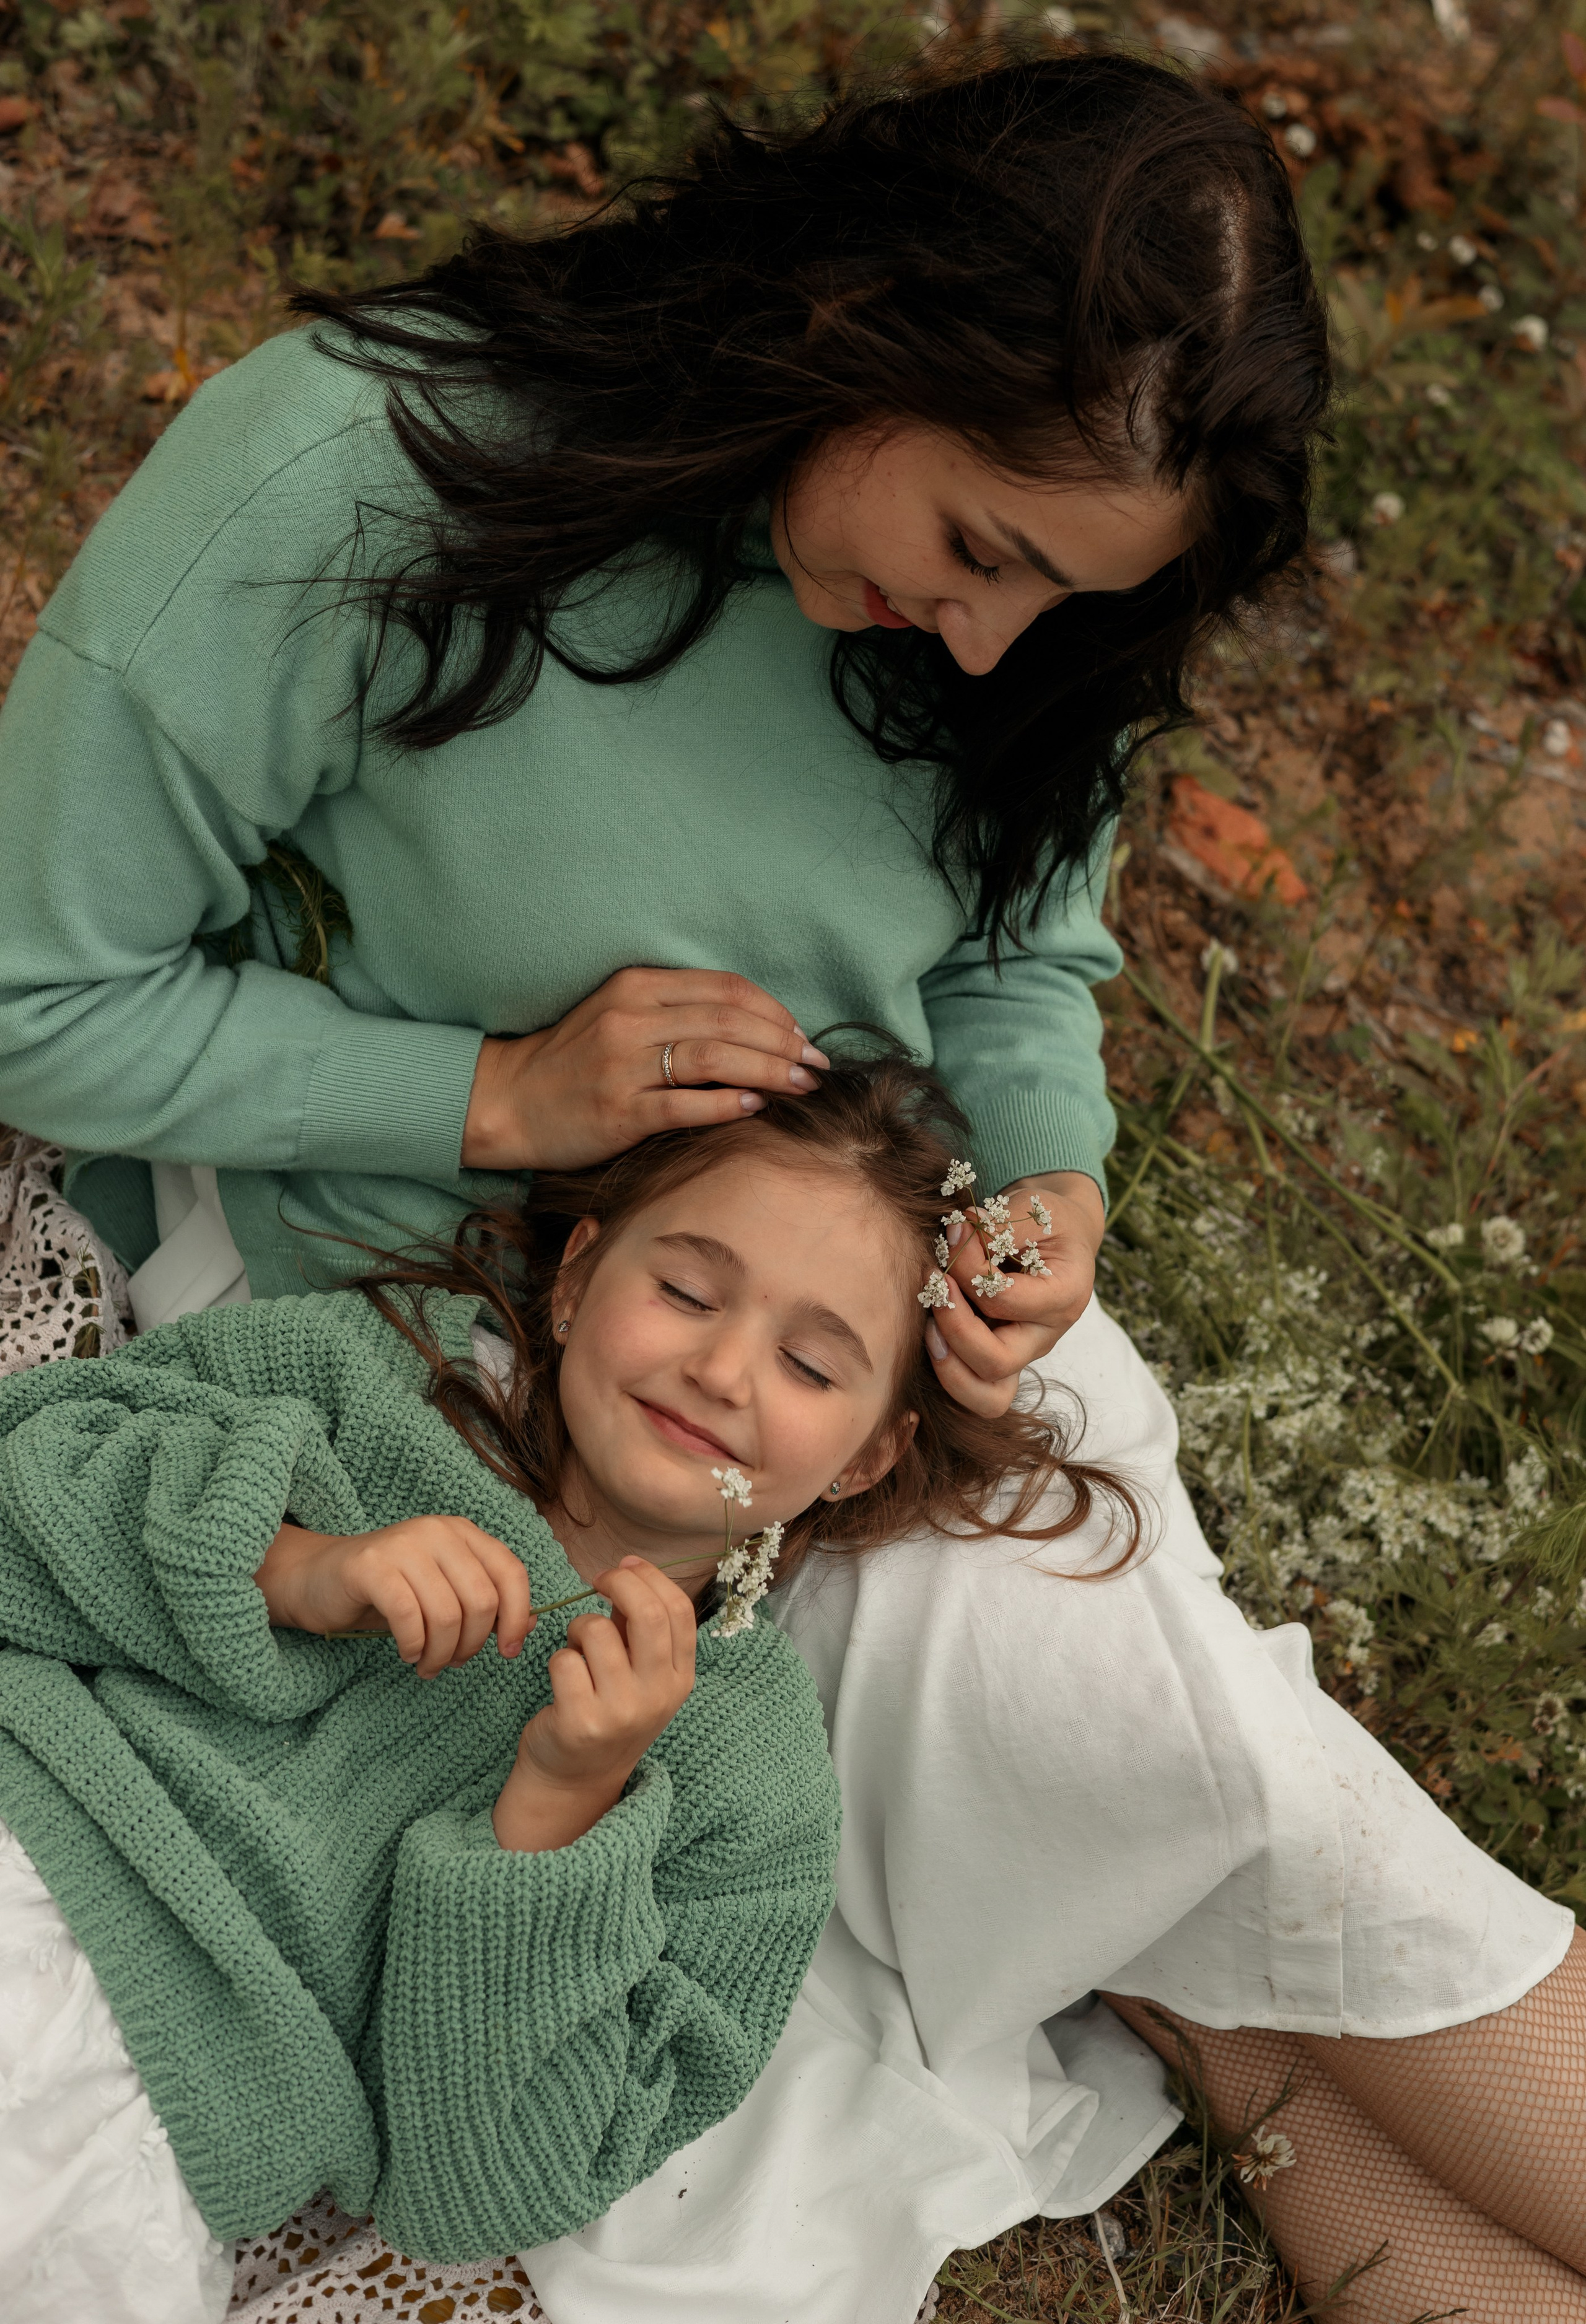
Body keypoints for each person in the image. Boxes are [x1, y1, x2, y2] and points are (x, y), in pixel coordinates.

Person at [1, 40, 1578, 2324]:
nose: (989, 646)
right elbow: (37, 990)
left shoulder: (1014, 645)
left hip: (854, 1376)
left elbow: (1029, 940)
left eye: (1061, 607)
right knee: (1184, 1821)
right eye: (979, 552)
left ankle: (1201, 1999)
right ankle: (1192, 1996)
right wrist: (500, 1097)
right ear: (862, 333)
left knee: (1216, 1780)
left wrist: (1053, 1177)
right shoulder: (362, 474)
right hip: (493, 1362)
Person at [0, 1051, 1136, 2322]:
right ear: (580, 1274)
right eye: (689, 1290)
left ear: (865, 1456)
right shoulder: (363, 1373)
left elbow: (478, 2188)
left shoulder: (752, 1791)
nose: (722, 1371)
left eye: (812, 1369)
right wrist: (291, 1564)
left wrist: (555, 1812)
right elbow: (19, 1490)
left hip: (154, 2132)